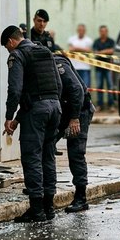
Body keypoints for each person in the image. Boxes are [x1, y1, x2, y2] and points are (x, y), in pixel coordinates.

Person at [1, 25, 63, 222]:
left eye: (6, 47)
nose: (8, 51)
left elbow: (15, 90)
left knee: (32, 157)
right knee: (48, 156)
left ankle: (37, 210)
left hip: (36, 112)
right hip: (55, 107)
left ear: (11, 41)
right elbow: (59, 84)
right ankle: (49, 208)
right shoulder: (44, 51)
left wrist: (9, 116)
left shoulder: (17, 55)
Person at [52, 53, 95, 212]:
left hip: (79, 111)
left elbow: (77, 90)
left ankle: (81, 197)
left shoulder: (56, 64)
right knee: (46, 145)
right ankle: (45, 190)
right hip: (64, 110)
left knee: (76, 152)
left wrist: (75, 119)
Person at [92, 25, 116, 111]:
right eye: (101, 31)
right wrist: (105, 52)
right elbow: (95, 52)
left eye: (104, 31)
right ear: (99, 32)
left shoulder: (111, 41)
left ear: (107, 32)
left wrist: (101, 52)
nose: (103, 33)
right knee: (99, 86)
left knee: (110, 86)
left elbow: (112, 51)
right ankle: (99, 105)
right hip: (98, 68)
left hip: (108, 67)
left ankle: (111, 105)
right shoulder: (96, 42)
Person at [68, 23, 93, 88]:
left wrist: (76, 48)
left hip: (85, 67)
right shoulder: (72, 39)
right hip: (74, 67)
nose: (81, 31)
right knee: (75, 86)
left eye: (82, 30)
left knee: (86, 87)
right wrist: (82, 49)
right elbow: (71, 49)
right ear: (77, 30)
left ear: (85, 31)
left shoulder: (89, 40)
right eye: (79, 30)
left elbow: (89, 51)